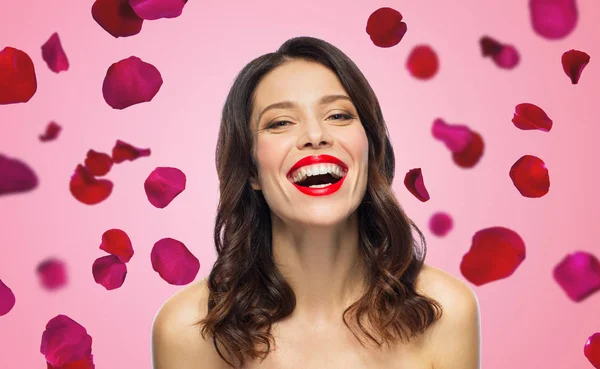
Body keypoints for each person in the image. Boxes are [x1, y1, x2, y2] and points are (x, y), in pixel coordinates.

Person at [151, 36, 481, 369]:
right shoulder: (187, 331)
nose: (315, 135)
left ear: (371, 150)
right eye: (280, 122)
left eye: (338, 115)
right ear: (250, 169)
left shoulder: (446, 311)